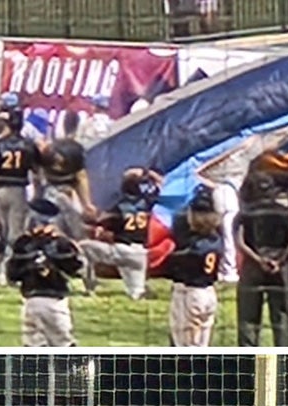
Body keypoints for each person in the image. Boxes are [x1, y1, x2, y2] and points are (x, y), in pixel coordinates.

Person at [6, 200, 84, 347]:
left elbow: (12, 275)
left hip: (30, 302)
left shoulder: (22, 243)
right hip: (55, 302)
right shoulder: (62, 243)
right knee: (64, 346)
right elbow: (76, 268)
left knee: (33, 348)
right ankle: (81, 371)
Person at [235, 171, 288, 346]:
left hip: (253, 266)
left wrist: (258, 260)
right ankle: (282, 355)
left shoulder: (245, 213)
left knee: (248, 318)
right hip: (281, 265)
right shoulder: (286, 212)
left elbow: (240, 241)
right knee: (282, 316)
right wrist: (279, 260)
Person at [86, 168, 159, 299]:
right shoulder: (147, 203)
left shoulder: (119, 206)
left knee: (83, 247)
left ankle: (90, 287)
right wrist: (148, 173)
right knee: (136, 293)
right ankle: (139, 290)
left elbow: (102, 225)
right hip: (141, 255)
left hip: (121, 250)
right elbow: (160, 187)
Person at [166, 185, 224, 346]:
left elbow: (173, 264)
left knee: (185, 343)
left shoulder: (193, 248)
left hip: (191, 295)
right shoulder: (217, 241)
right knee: (202, 344)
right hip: (210, 293)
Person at [0, 110, 41, 276]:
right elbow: (37, 168)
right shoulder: (28, 144)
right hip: (18, 189)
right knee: (15, 231)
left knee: (0, 227)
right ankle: (8, 268)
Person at [39, 110, 96, 244]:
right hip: (69, 193)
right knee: (75, 234)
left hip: (49, 192)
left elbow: (39, 175)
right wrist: (87, 203)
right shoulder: (76, 149)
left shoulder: (49, 148)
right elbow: (81, 177)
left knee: (50, 232)